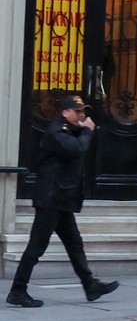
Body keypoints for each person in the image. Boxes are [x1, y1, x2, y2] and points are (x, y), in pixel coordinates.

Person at [7, 94, 120, 309]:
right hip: (51, 199)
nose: (82, 115)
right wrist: (87, 130)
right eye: (77, 112)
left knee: (74, 244)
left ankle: (90, 285)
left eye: (83, 111)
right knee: (37, 246)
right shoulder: (56, 131)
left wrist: (84, 130)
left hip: (61, 199)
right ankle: (18, 290)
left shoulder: (70, 130)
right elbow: (75, 149)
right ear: (65, 112)